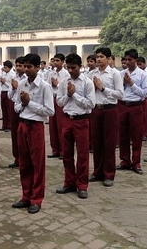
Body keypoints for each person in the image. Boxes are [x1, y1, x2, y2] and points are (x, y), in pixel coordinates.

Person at [11, 53, 54, 214]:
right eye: (25, 66)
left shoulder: (44, 86)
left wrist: (30, 103)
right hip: (22, 124)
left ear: (37, 67)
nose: (27, 70)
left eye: (30, 67)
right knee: (24, 163)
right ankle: (26, 195)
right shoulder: (22, 84)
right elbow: (16, 106)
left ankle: (36, 199)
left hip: (36, 126)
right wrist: (23, 104)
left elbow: (49, 111)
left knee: (37, 164)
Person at [55, 53, 95, 199]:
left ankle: (82, 185)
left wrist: (75, 95)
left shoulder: (87, 82)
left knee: (83, 154)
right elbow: (59, 102)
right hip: (67, 119)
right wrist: (68, 95)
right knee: (66, 154)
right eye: (68, 67)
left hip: (82, 120)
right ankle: (69, 182)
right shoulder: (63, 81)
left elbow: (91, 104)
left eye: (74, 67)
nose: (70, 70)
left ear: (80, 67)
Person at [88, 47, 123, 187]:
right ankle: (97, 172)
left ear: (108, 59)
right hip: (96, 109)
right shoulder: (91, 74)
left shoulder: (114, 74)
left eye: (102, 56)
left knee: (109, 142)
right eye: (97, 56)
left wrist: (103, 88)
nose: (98, 59)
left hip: (109, 109)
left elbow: (120, 94)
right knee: (97, 142)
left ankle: (109, 174)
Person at [117, 49, 147, 175]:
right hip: (123, 105)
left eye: (130, 60)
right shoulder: (121, 74)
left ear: (136, 60)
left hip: (136, 106)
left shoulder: (142, 75)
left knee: (136, 135)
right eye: (126, 60)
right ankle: (125, 160)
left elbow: (144, 93)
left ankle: (136, 162)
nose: (127, 62)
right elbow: (119, 90)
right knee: (123, 135)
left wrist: (131, 84)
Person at [46, 53, 69, 159]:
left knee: (61, 125)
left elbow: (66, 88)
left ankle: (62, 150)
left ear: (63, 62)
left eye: (58, 60)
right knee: (52, 125)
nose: (55, 62)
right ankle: (55, 149)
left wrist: (57, 85)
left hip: (61, 100)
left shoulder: (66, 74)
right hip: (52, 99)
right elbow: (47, 86)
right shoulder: (51, 73)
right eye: (54, 60)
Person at [7, 56, 26, 168]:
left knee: (23, 134)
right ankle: (17, 157)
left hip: (24, 107)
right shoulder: (14, 78)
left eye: (20, 65)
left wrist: (18, 87)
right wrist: (14, 88)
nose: (18, 68)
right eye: (17, 65)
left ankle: (24, 158)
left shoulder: (26, 79)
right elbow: (10, 95)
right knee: (14, 133)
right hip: (15, 106)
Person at [0, 60, 14, 132]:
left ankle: (9, 125)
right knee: (3, 109)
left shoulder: (12, 75)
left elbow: (11, 86)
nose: (4, 69)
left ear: (9, 68)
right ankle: (4, 125)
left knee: (8, 110)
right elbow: (0, 84)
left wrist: (4, 82)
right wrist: (1, 82)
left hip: (8, 92)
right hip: (3, 91)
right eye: (4, 67)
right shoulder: (3, 74)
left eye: (5, 67)